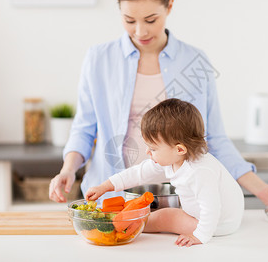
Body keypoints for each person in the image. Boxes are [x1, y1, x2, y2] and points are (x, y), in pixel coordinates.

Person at [49, 0, 268, 206]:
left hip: (180, 201)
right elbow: (84, 129)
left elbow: (213, 138)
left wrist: (261, 190)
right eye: (129, 20)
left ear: (169, 7)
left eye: (150, 19)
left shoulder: (195, 62)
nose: (140, 31)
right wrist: (68, 169)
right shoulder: (99, 59)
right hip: (111, 198)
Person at [86, 98, 244, 246]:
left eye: (153, 148)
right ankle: (126, 224)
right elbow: (138, 173)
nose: (148, 152)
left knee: (166, 217)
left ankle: (122, 227)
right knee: (163, 216)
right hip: (205, 216)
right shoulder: (173, 158)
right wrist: (105, 186)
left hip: (220, 223)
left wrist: (199, 236)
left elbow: (212, 207)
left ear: (180, 149)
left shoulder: (200, 171)